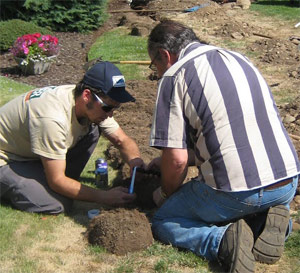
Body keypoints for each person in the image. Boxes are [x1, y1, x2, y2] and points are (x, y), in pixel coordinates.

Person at [146, 20, 299, 273]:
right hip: (286, 183)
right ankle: (266, 222)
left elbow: (177, 160)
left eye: (156, 64)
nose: (158, 72)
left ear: (165, 55)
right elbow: (229, 140)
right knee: (248, 202)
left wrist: (164, 194)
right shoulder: (240, 59)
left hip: (235, 193)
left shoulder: (175, 76)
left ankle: (222, 240)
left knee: (165, 219)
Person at [0, 61, 144, 214]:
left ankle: (51, 174)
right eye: (108, 107)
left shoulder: (84, 102)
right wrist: (103, 196)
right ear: (87, 95)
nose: (111, 114)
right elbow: (56, 182)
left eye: (116, 107)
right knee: (57, 203)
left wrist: (136, 163)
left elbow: (122, 140)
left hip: (29, 151)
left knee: (94, 128)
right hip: (6, 159)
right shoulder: (52, 118)